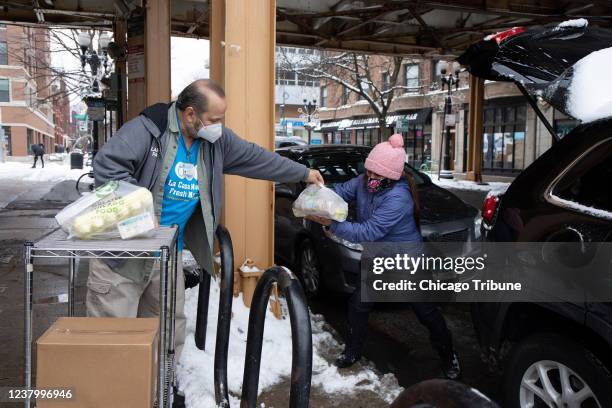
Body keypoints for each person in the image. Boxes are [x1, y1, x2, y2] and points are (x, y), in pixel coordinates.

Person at [87, 79, 324, 403]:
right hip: (122, 258)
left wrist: (302, 173)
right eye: (214, 119)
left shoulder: (215, 143)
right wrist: (140, 211)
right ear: (189, 115)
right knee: (113, 338)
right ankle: (111, 399)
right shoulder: (148, 129)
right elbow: (106, 167)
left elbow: (257, 158)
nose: (219, 126)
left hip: (166, 257)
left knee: (168, 332)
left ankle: (158, 393)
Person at [307, 134, 460, 380]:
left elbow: (368, 232)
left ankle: (448, 355)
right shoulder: (363, 182)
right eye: (369, 172)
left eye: (377, 175)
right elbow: (340, 192)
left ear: (392, 176)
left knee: (426, 314)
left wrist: (332, 224)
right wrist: (318, 196)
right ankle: (353, 350)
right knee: (358, 306)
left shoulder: (399, 198)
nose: (371, 178)